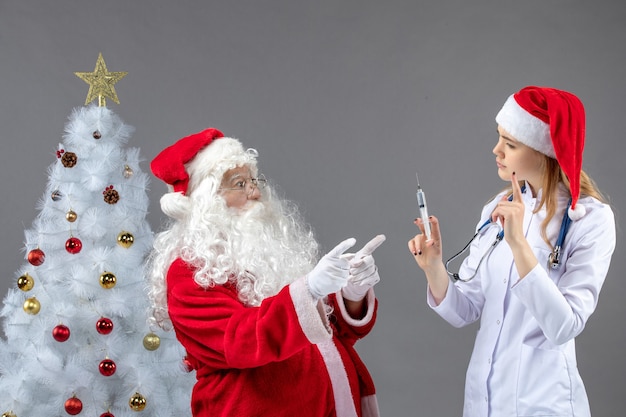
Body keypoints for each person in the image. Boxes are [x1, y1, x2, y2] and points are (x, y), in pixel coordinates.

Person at [147, 127, 384, 417]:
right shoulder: (188, 273)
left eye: (254, 181)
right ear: (206, 200)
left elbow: (320, 330)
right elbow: (241, 341)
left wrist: (351, 293)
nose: (256, 192)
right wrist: (309, 289)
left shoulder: (267, 251)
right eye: (240, 183)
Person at [408, 86, 615, 417]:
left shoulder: (590, 220)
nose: (496, 150)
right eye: (499, 138)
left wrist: (519, 245)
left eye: (510, 143)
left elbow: (565, 326)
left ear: (544, 151)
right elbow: (466, 309)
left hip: (543, 404)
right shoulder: (498, 207)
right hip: (484, 402)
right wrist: (433, 268)